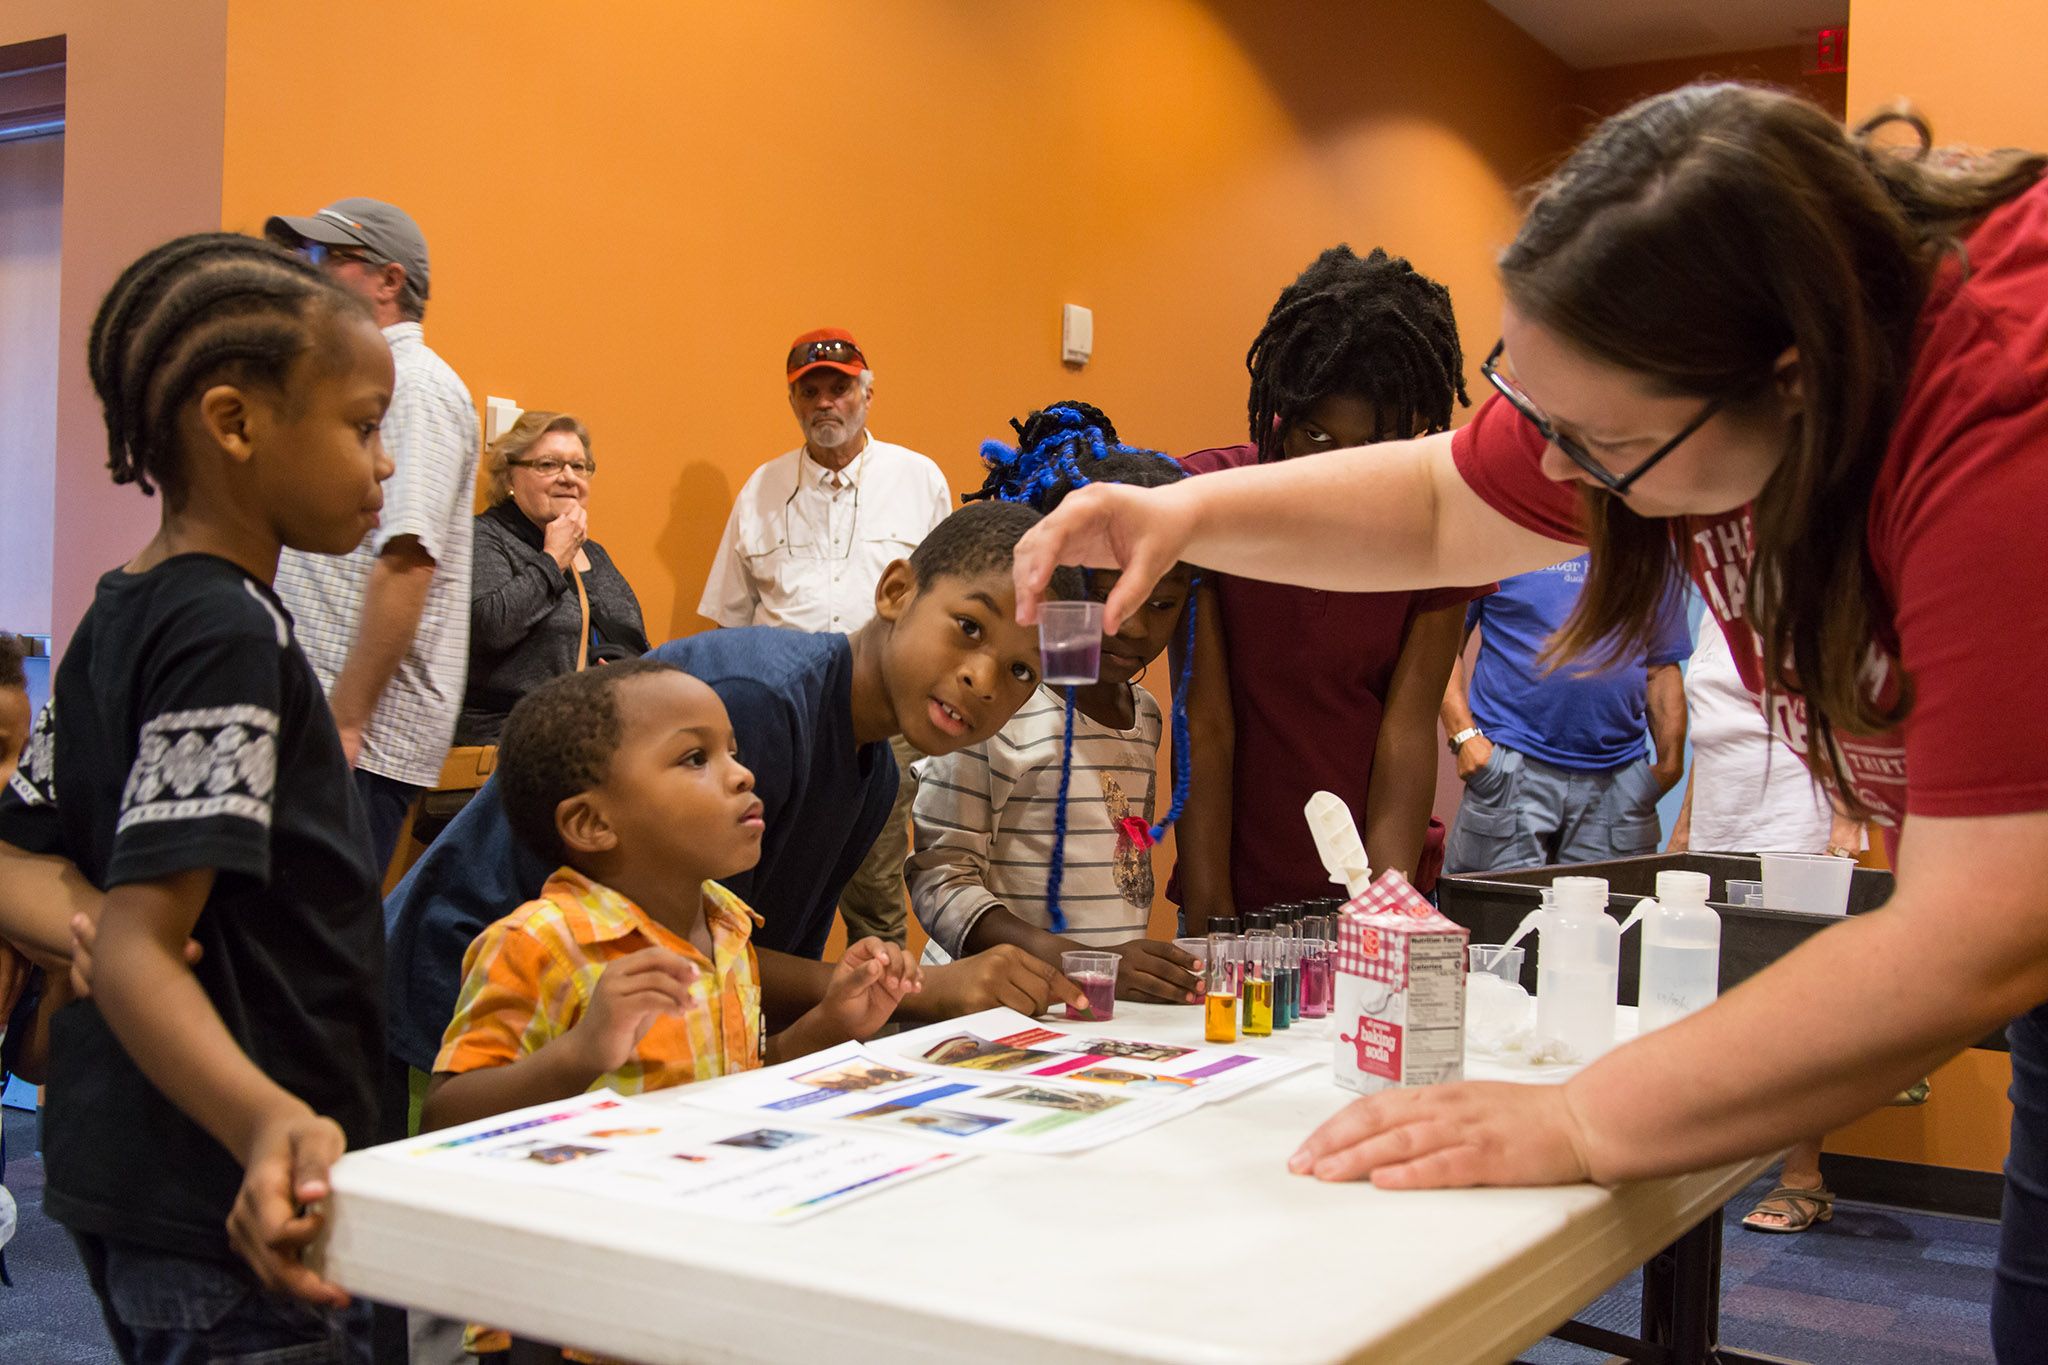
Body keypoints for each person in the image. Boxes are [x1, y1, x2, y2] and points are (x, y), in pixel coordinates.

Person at [1009, 85, 2048, 1359]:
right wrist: (1184, 518)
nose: (1555, 477)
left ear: (1790, 380)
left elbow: (1981, 931)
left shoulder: (2005, 424)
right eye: (1535, 413)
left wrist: (1580, 1122)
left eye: (1596, 446)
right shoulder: (1688, 367)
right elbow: (1451, 503)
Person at [0, 233, 395, 1360]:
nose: (383, 467)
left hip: (135, 1165)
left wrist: (95, 924)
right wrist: (266, 1118)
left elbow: (27, 856)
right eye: (362, 428)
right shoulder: (223, 632)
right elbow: (137, 946)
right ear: (234, 424)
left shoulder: (124, 609)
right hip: (219, 1185)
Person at [387, 500, 1090, 1081]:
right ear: (897, 590)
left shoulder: (871, 774)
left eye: (1023, 672)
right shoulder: (753, 702)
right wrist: (927, 989)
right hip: (461, 1014)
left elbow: (738, 966)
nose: (985, 679)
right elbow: (657, 944)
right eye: (969, 628)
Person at [423, 662, 919, 1358]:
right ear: (593, 822)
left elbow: (739, 1083)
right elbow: (444, 1118)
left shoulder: (729, 928)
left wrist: (832, 1024)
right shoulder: (541, 940)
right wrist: (581, 1051)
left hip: (690, 1284)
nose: (742, 775)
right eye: (696, 757)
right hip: (563, 1316)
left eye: (734, 752)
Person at [1173, 246, 1489, 927]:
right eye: (1315, 435)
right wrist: (1211, 916)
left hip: (1375, 875)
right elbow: (1207, 720)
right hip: (1232, 884)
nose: (1342, 477)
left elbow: (1407, 730)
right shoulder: (1207, 498)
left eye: (1375, 449)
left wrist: (1380, 915)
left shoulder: (1439, 529)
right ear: (1282, 411)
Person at [909, 404, 1201, 1003]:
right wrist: (1074, 959)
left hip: (1087, 1020)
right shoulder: (996, 708)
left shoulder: (1143, 714)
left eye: (1161, 604)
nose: (1132, 625)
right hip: (988, 1011)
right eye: (1105, 596)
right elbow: (940, 877)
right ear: (1058, 584)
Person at [700, 329, 952, 947]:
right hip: (778, 724)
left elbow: (946, 610)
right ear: (793, 402)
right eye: (809, 391)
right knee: (754, 883)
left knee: (876, 898)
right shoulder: (760, 489)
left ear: (867, 392)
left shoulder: (918, 480)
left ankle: (881, 1030)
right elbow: (730, 620)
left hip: (881, 722)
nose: (825, 403)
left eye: (839, 388)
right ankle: (758, 1031)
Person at [264, 197, 480, 872]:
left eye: (332, 257)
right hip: (320, 716)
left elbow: (407, 559)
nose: (312, 271)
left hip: (356, 733)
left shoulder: (414, 385)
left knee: (312, 947)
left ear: (388, 281)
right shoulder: (360, 378)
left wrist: (347, 718)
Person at [1668, 623, 1869, 1236]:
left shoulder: (1816, 579)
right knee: (1707, 996)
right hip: (1720, 826)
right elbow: (1712, 735)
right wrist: (1683, 832)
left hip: (1796, 819)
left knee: (1803, 1010)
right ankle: (1700, 1161)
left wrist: (1846, 823)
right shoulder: (1715, 603)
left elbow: (1851, 710)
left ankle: (1802, 1178)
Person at [1440, 556, 1689, 873]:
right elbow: (1444, 650)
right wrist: (1463, 737)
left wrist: (1670, 765)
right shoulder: (1506, 528)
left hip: (1618, 783)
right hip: (1510, 771)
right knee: (1498, 917)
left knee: (1613, 920)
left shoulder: (1644, 542)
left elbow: (1661, 667)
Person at [458, 411, 649, 743]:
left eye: (579, 466)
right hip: (513, 743)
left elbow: (634, 638)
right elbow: (488, 627)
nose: (568, 477)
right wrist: (553, 559)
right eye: (548, 465)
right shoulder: (486, 536)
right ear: (509, 478)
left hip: (601, 737)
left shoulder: (596, 554)